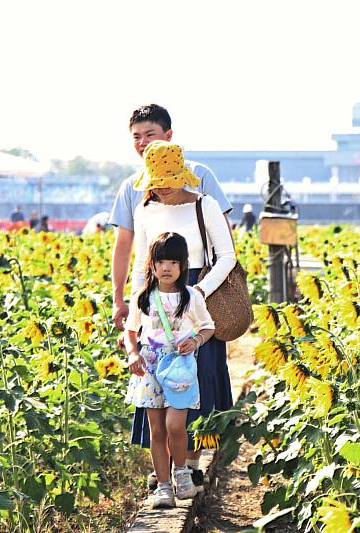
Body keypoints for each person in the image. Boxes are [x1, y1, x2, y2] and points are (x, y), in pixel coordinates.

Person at [109, 105, 233, 493]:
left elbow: (227, 254)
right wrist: (130, 308)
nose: (161, 187)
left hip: (198, 290)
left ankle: (191, 463)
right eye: (137, 136)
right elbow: (138, 261)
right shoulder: (143, 205)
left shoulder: (203, 198)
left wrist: (199, 292)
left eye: (150, 134)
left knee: (200, 376)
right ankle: (165, 468)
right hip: (156, 296)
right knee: (158, 382)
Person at [124, 232, 215, 508]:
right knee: (157, 431)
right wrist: (133, 354)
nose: (166, 268)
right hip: (150, 366)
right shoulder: (143, 297)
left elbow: (207, 327)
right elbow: (131, 331)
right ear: (151, 264)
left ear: (183, 265)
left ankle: (181, 473)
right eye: (161, 261)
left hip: (180, 366)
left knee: (175, 425)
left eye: (173, 262)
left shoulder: (191, 297)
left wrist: (196, 341)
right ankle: (164, 487)